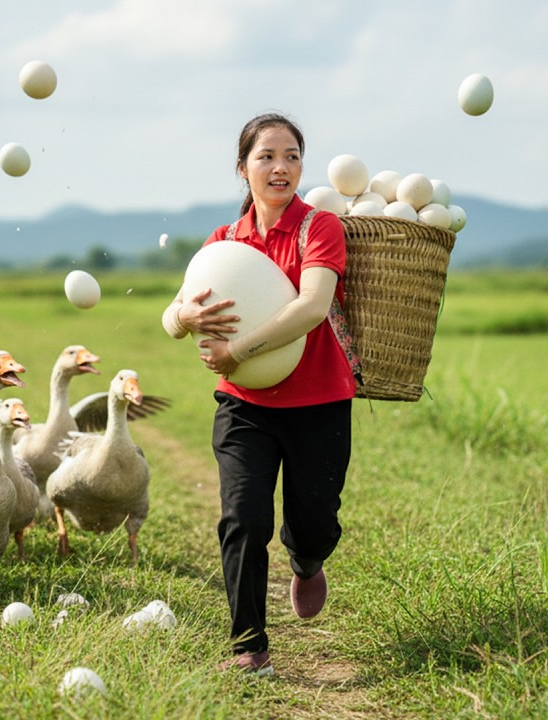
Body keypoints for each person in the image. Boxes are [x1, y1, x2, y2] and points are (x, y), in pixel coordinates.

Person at [161, 112, 356, 675]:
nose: (281, 167)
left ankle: (308, 557)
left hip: (318, 402)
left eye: (292, 155)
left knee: (315, 518)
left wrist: (236, 350)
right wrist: (184, 314)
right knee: (243, 518)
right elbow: (172, 317)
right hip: (245, 406)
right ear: (242, 168)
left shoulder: (318, 228)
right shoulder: (222, 243)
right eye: (267, 156)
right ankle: (250, 646)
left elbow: (312, 307)